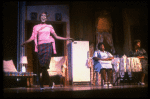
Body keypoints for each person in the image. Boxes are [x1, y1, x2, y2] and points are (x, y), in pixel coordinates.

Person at [21, 12, 73, 89]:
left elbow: (56, 37)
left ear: (46, 18)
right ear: (40, 18)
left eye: (44, 16)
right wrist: (25, 42)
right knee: (42, 67)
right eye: (41, 15)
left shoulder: (49, 26)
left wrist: (67, 38)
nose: (43, 17)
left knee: (44, 66)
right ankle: (50, 83)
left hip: (48, 46)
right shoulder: (36, 27)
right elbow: (32, 37)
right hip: (40, 47)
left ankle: (43, 84)